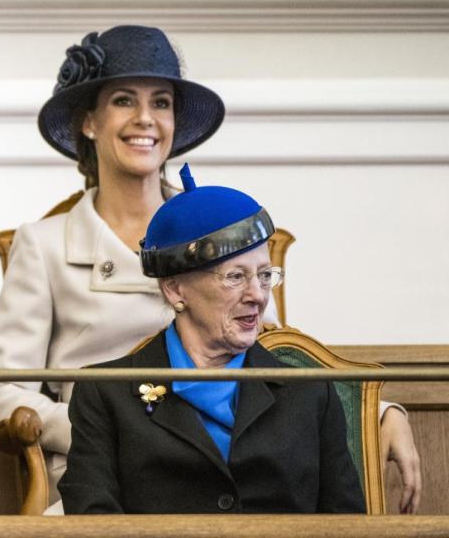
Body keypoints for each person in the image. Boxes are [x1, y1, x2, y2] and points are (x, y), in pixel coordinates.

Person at [0, 25, 420, 513]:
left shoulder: (220, 230)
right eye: (124, 101)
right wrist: (110, 423)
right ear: (88, 122)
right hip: (103, 467)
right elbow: (1, 390)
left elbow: (274, 356)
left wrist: (379, 411)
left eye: (161, 103)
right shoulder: (43, 244)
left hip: (236, 456)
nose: (145, 118)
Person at [60, 164, 365, 513]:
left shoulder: (310, 392)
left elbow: (348, 524)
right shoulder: (105, 393)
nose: (258, 295)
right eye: (236, 276)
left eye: (265, 276)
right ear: (175, 289)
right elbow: (93, 523)